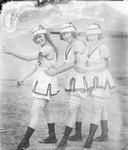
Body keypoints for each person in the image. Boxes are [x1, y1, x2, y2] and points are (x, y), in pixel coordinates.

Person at [2, 25, 59, 150]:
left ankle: (25, 141)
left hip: (45, 84)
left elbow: (29, 57)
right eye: (36, 38)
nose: (38, 39)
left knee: (34, 112)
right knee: (48, 110)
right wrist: (22, 78)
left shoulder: (47, 49)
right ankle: (52, 136)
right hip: (43, 82)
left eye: (40, 36)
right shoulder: (44, 49)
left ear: (46, 36)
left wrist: (10, 51)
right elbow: (35, 66)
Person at [45, 22, 88, 150]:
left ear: (73, 33)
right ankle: (78, 134)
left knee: (72, 110)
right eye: (63, 33)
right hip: (72, 80)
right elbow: (67, 63)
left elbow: (73, 63)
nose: (66, 35)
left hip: (79, 81)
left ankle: (64, 141)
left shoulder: (78, 44)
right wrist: (54, 70)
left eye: (68, 33)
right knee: (77, 108)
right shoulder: (70, 45)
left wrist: (56, 72)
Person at [75, 23, 116, 149]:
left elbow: (104, 66)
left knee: (97, 108)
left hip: (101, 79)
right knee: (101, 107)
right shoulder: (90, 46)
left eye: (94, 34)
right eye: (89, 35)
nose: (92, 37)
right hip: (92, 78)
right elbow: (85, 58)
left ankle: (89, 140)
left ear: (98, 34)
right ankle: (104, 134)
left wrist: (85, 69)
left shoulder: (102, 46)